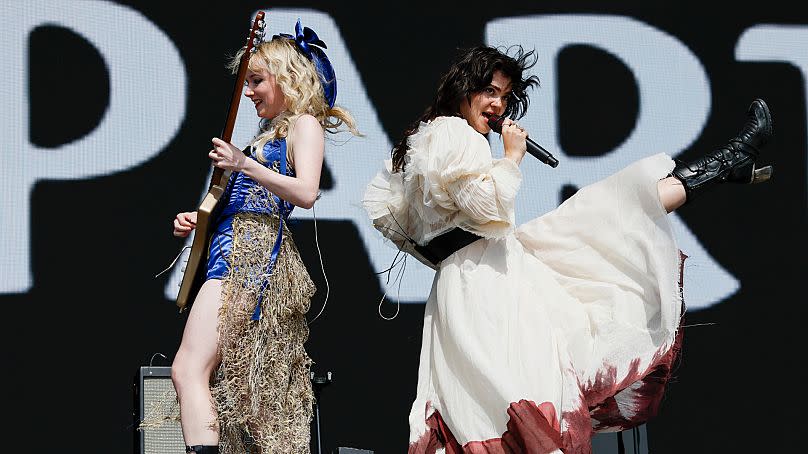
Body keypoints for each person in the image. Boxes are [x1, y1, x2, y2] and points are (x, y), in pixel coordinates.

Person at [362, 45, 772, 453]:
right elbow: (489, 206)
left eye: (504, 97)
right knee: (606, 220)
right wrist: (511, 158)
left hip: (466, 278)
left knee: (604, 214)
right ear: (462, 89)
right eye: (488, 91)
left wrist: (454, 246)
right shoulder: (459, 136)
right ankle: (730, 161)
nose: (497, 105)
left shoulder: (425, 140)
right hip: (485, 283)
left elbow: (391, 218)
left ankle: (727, 162)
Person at [169, 20, 360, 454]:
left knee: (188, 369)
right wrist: (198, 221)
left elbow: (307, 192)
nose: (249, 91)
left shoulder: (303, 125)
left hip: (250, 256)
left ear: (287, 78)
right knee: (230, 383)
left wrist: (244, 163)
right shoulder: (263, 136)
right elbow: (242, 199)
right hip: (227, 249)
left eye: (257, 80)